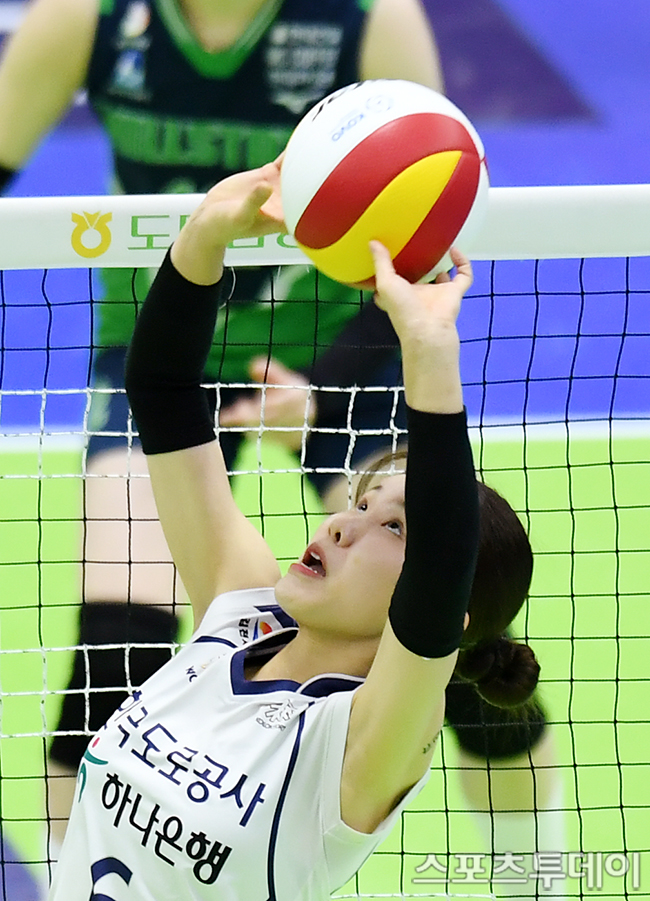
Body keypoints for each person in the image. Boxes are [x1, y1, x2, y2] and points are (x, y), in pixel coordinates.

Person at [0, 0, 445, 847]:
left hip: (344, 354)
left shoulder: (370, 21)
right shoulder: (87, 18)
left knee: (463, 665)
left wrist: (322, 392)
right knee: (112, 659)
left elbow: (434, 241)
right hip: (163, 343)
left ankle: (535, 864)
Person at [48, 159, 542, 900]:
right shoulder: (238, 610)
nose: (343, 524)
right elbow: (164, 393)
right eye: (363, 503)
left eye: (394, 526)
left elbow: (444, 560)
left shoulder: (364, 741)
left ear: (449, 612)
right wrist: (206, 236)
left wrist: (427, 349)